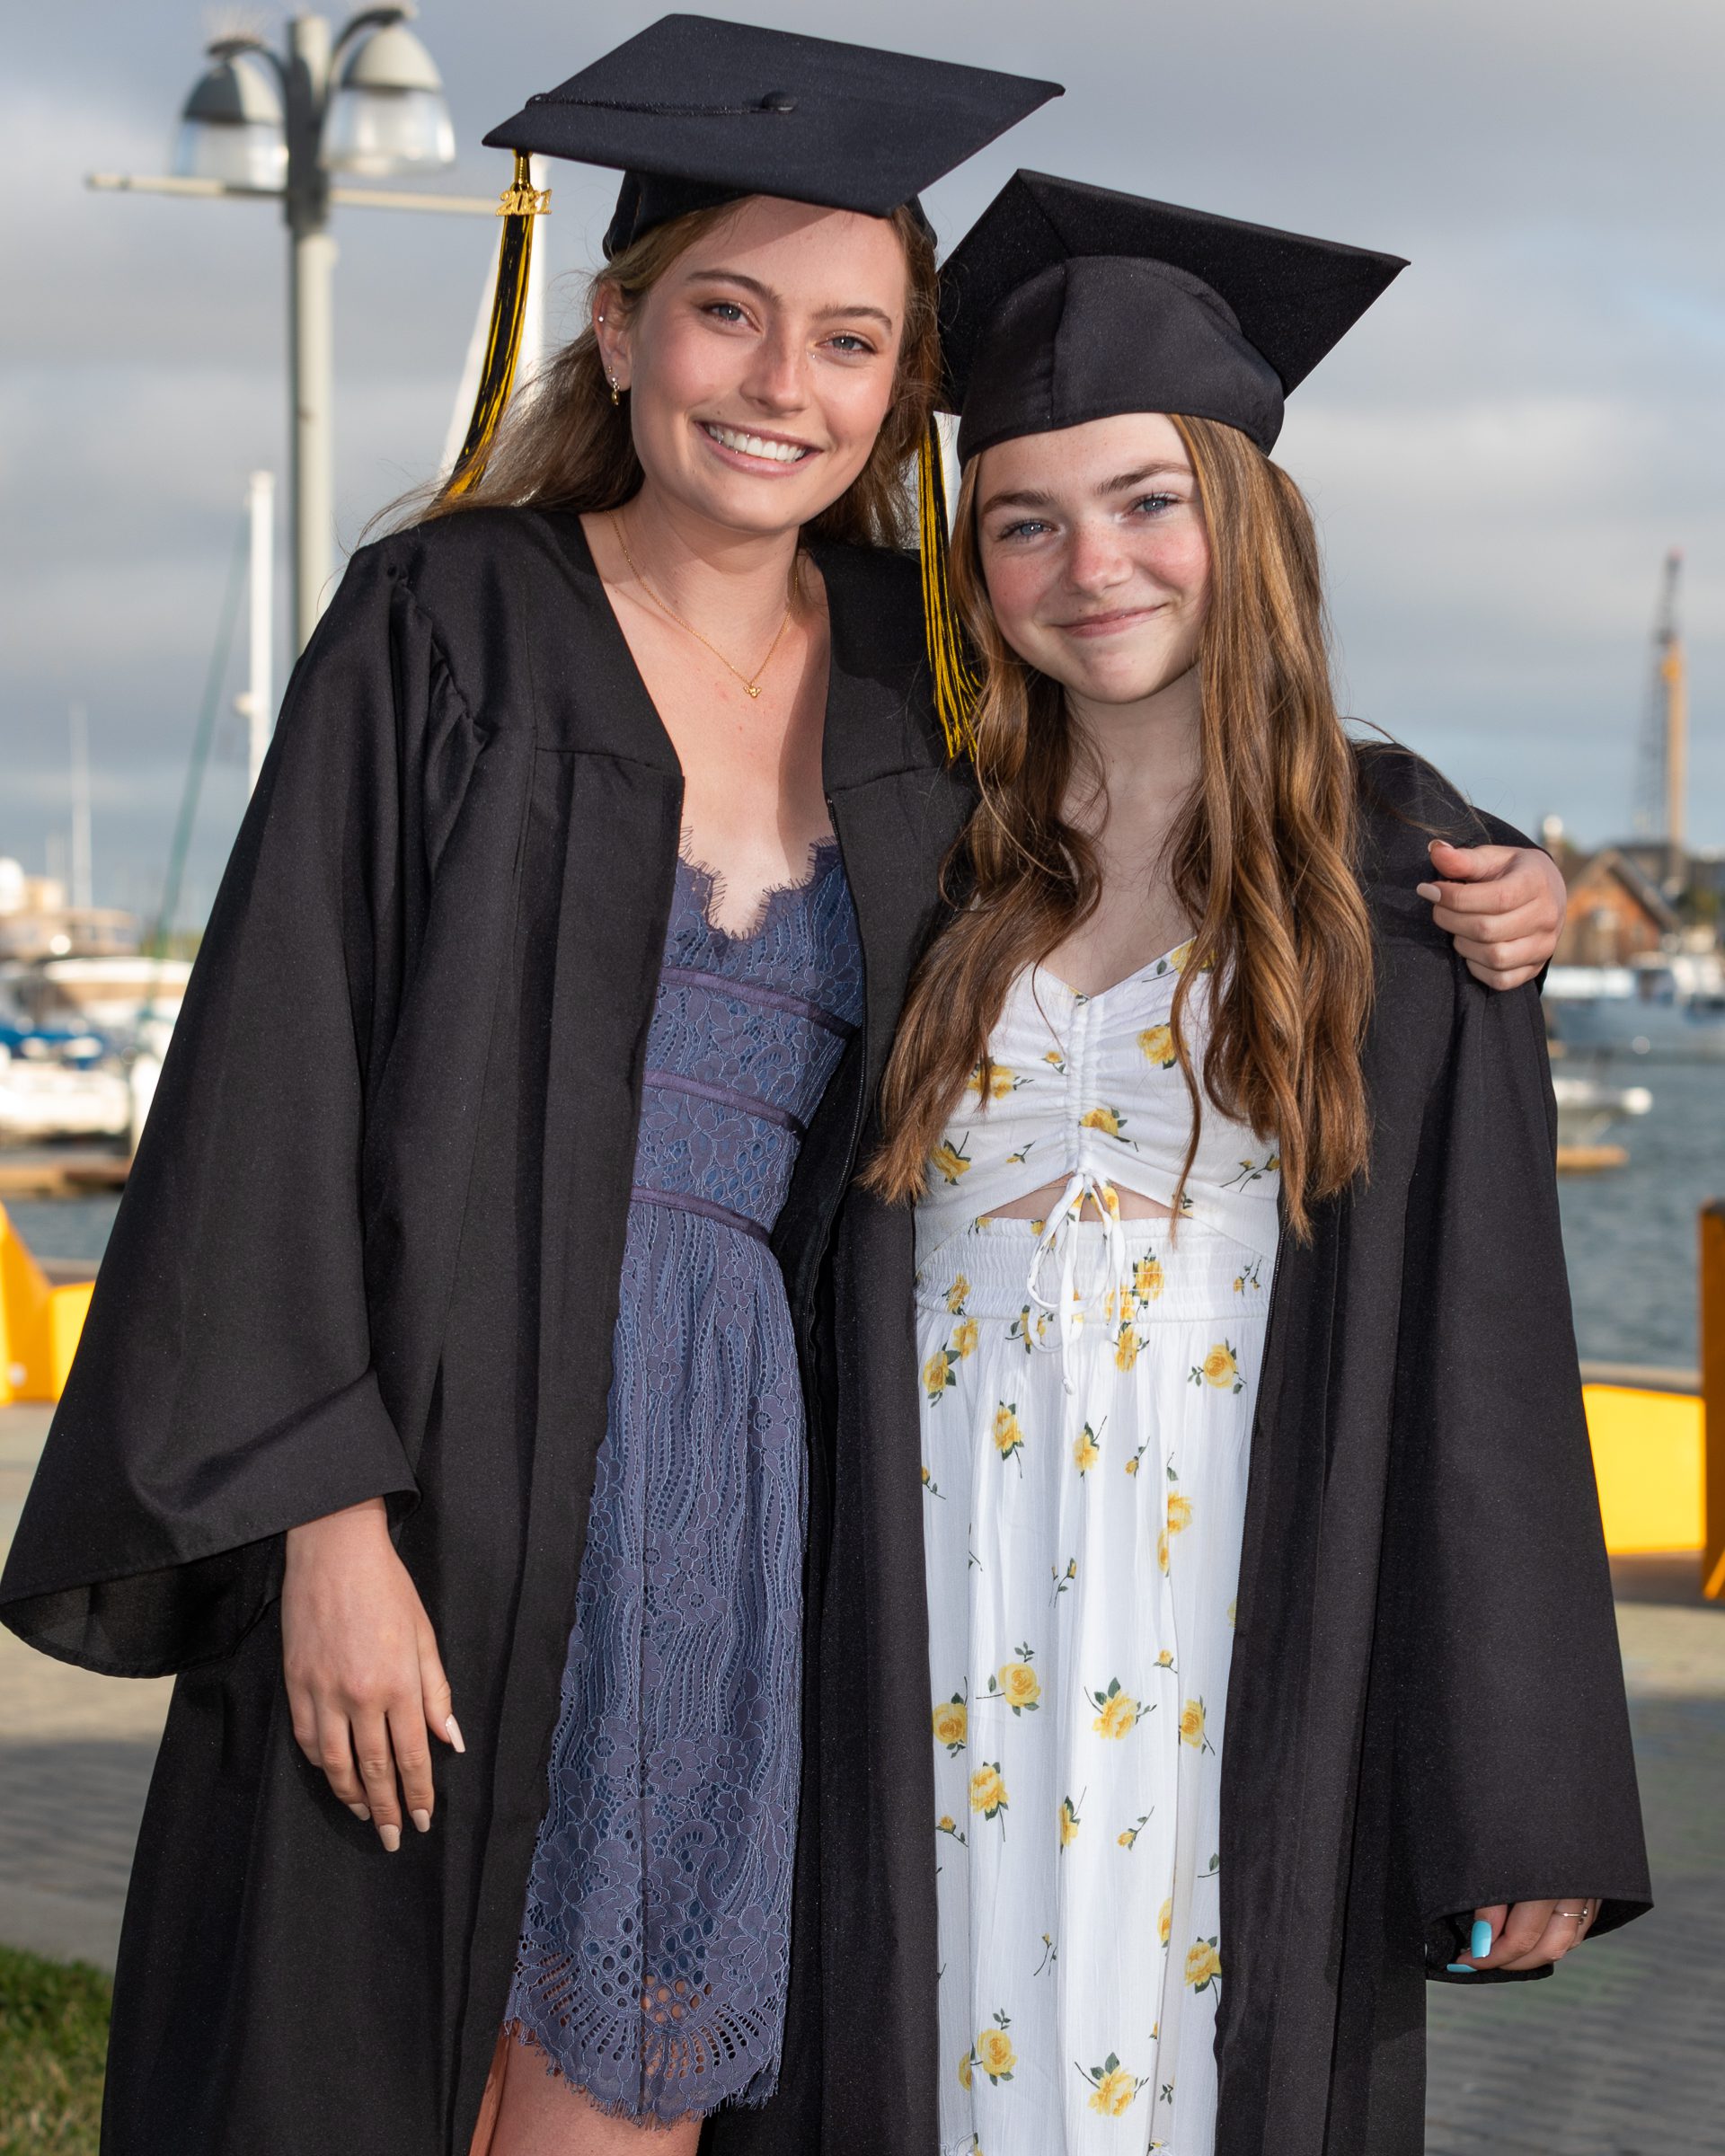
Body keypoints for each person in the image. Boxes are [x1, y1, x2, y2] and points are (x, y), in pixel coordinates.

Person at [0, 28, 1564, 2152]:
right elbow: (272, 1080)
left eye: (848, 340)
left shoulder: (928, 678)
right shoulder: (449, 624)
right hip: (443, 1458)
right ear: (620, 326)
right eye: (725, 313)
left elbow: (1192, 789)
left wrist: (1492, 875)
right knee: (369, 2037)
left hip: (750, 1478)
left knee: (643, 2062)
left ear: (901, 392)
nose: (777, 384)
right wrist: (323, 1528)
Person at [853, 173, 1650, 2156]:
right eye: (1023, 520)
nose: (1091, 565)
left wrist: (1521, 1788)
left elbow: (1484, 1339)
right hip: (932, 1584)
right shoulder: (918, 848)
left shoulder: (1397, 865)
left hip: (1230, 1596)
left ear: (1250, 521)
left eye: (1148, 501)